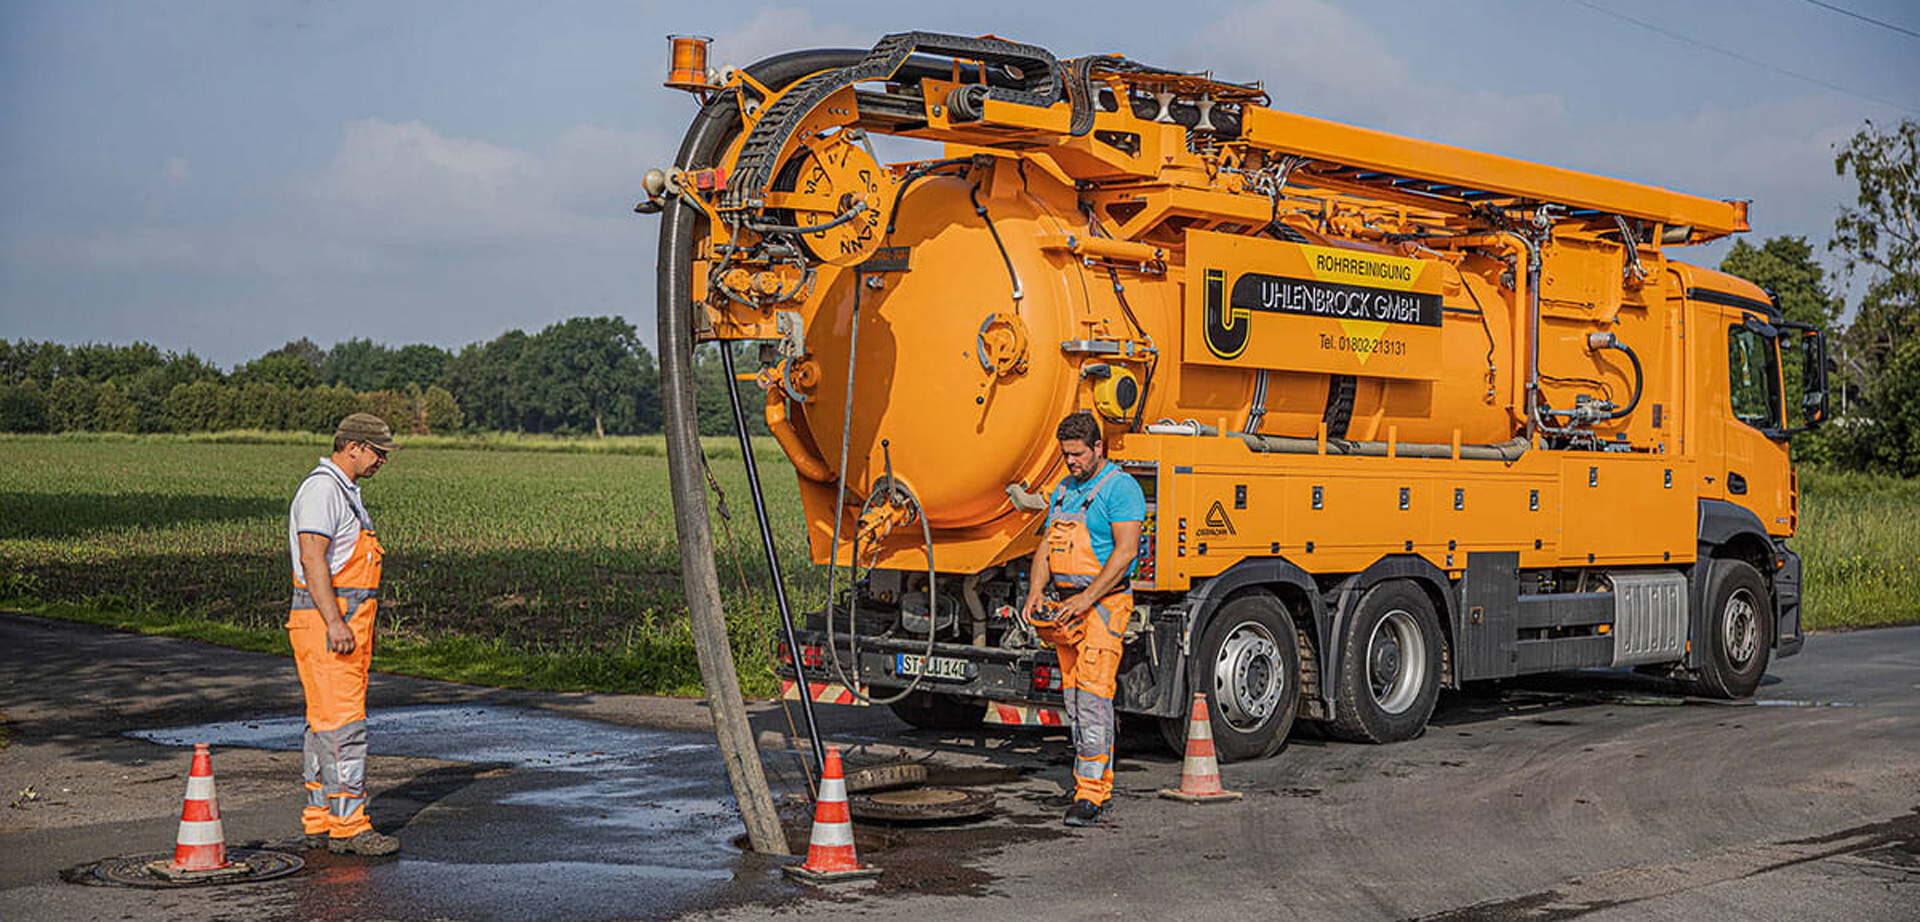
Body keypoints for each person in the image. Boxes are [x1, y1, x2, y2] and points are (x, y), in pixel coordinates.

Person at [1020, 411, 1145, 827]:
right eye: (1065, 455)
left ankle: (1092, 794)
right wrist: (1036, 590)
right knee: (1074, 698)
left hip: (1103, 606)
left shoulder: (1120, 488)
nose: (1071, 462)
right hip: (1067, 608)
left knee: (1093, 698)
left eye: (1076, 454)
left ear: (1098, 448)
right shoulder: (1064, 490)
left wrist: (1088, 598)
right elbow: (1046, 545)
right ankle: (1087, 779)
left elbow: (1126, 552)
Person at [287, 413, 401, 855]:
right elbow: (314, 559)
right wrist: (335, 621)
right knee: (344, 730)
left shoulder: (342, 490)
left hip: (338, 626)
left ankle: (320, 818)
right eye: (378, 452)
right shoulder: (323, 490)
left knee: (324, 726)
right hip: (329, 628)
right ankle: (350, 826)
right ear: (352, 446)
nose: (382, 461)